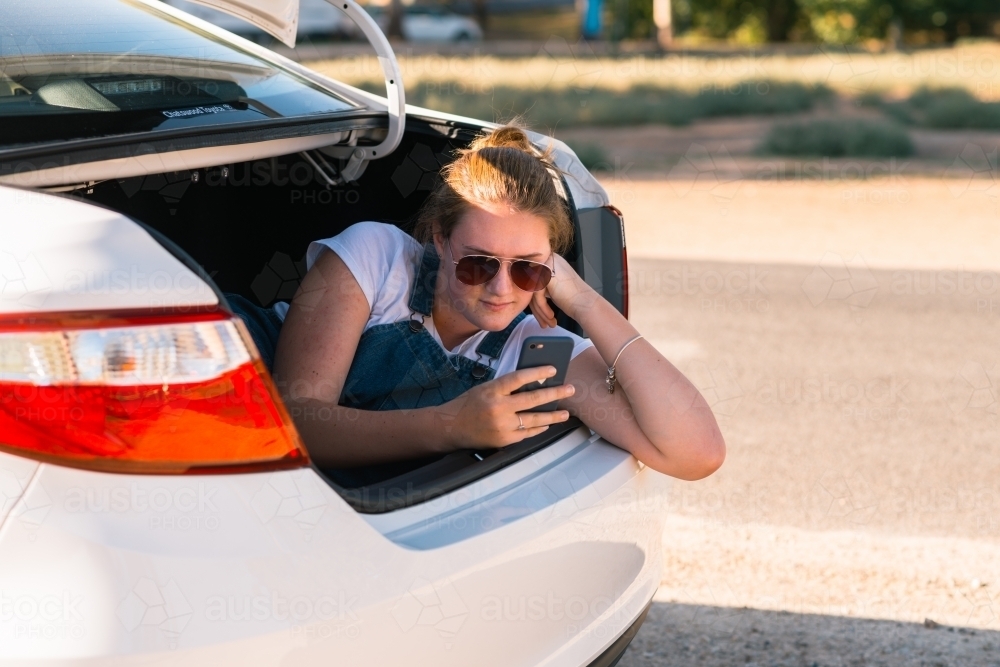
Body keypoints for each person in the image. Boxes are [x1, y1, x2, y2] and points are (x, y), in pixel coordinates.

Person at [272, 126, 725, 480]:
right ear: (439, 238)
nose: (502, 289)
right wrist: (451, 426)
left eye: (528, 268)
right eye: (478, 264)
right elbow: (299, 423)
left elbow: (696, 454)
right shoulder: (377, 258)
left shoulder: (534, 348)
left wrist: (585, 302)